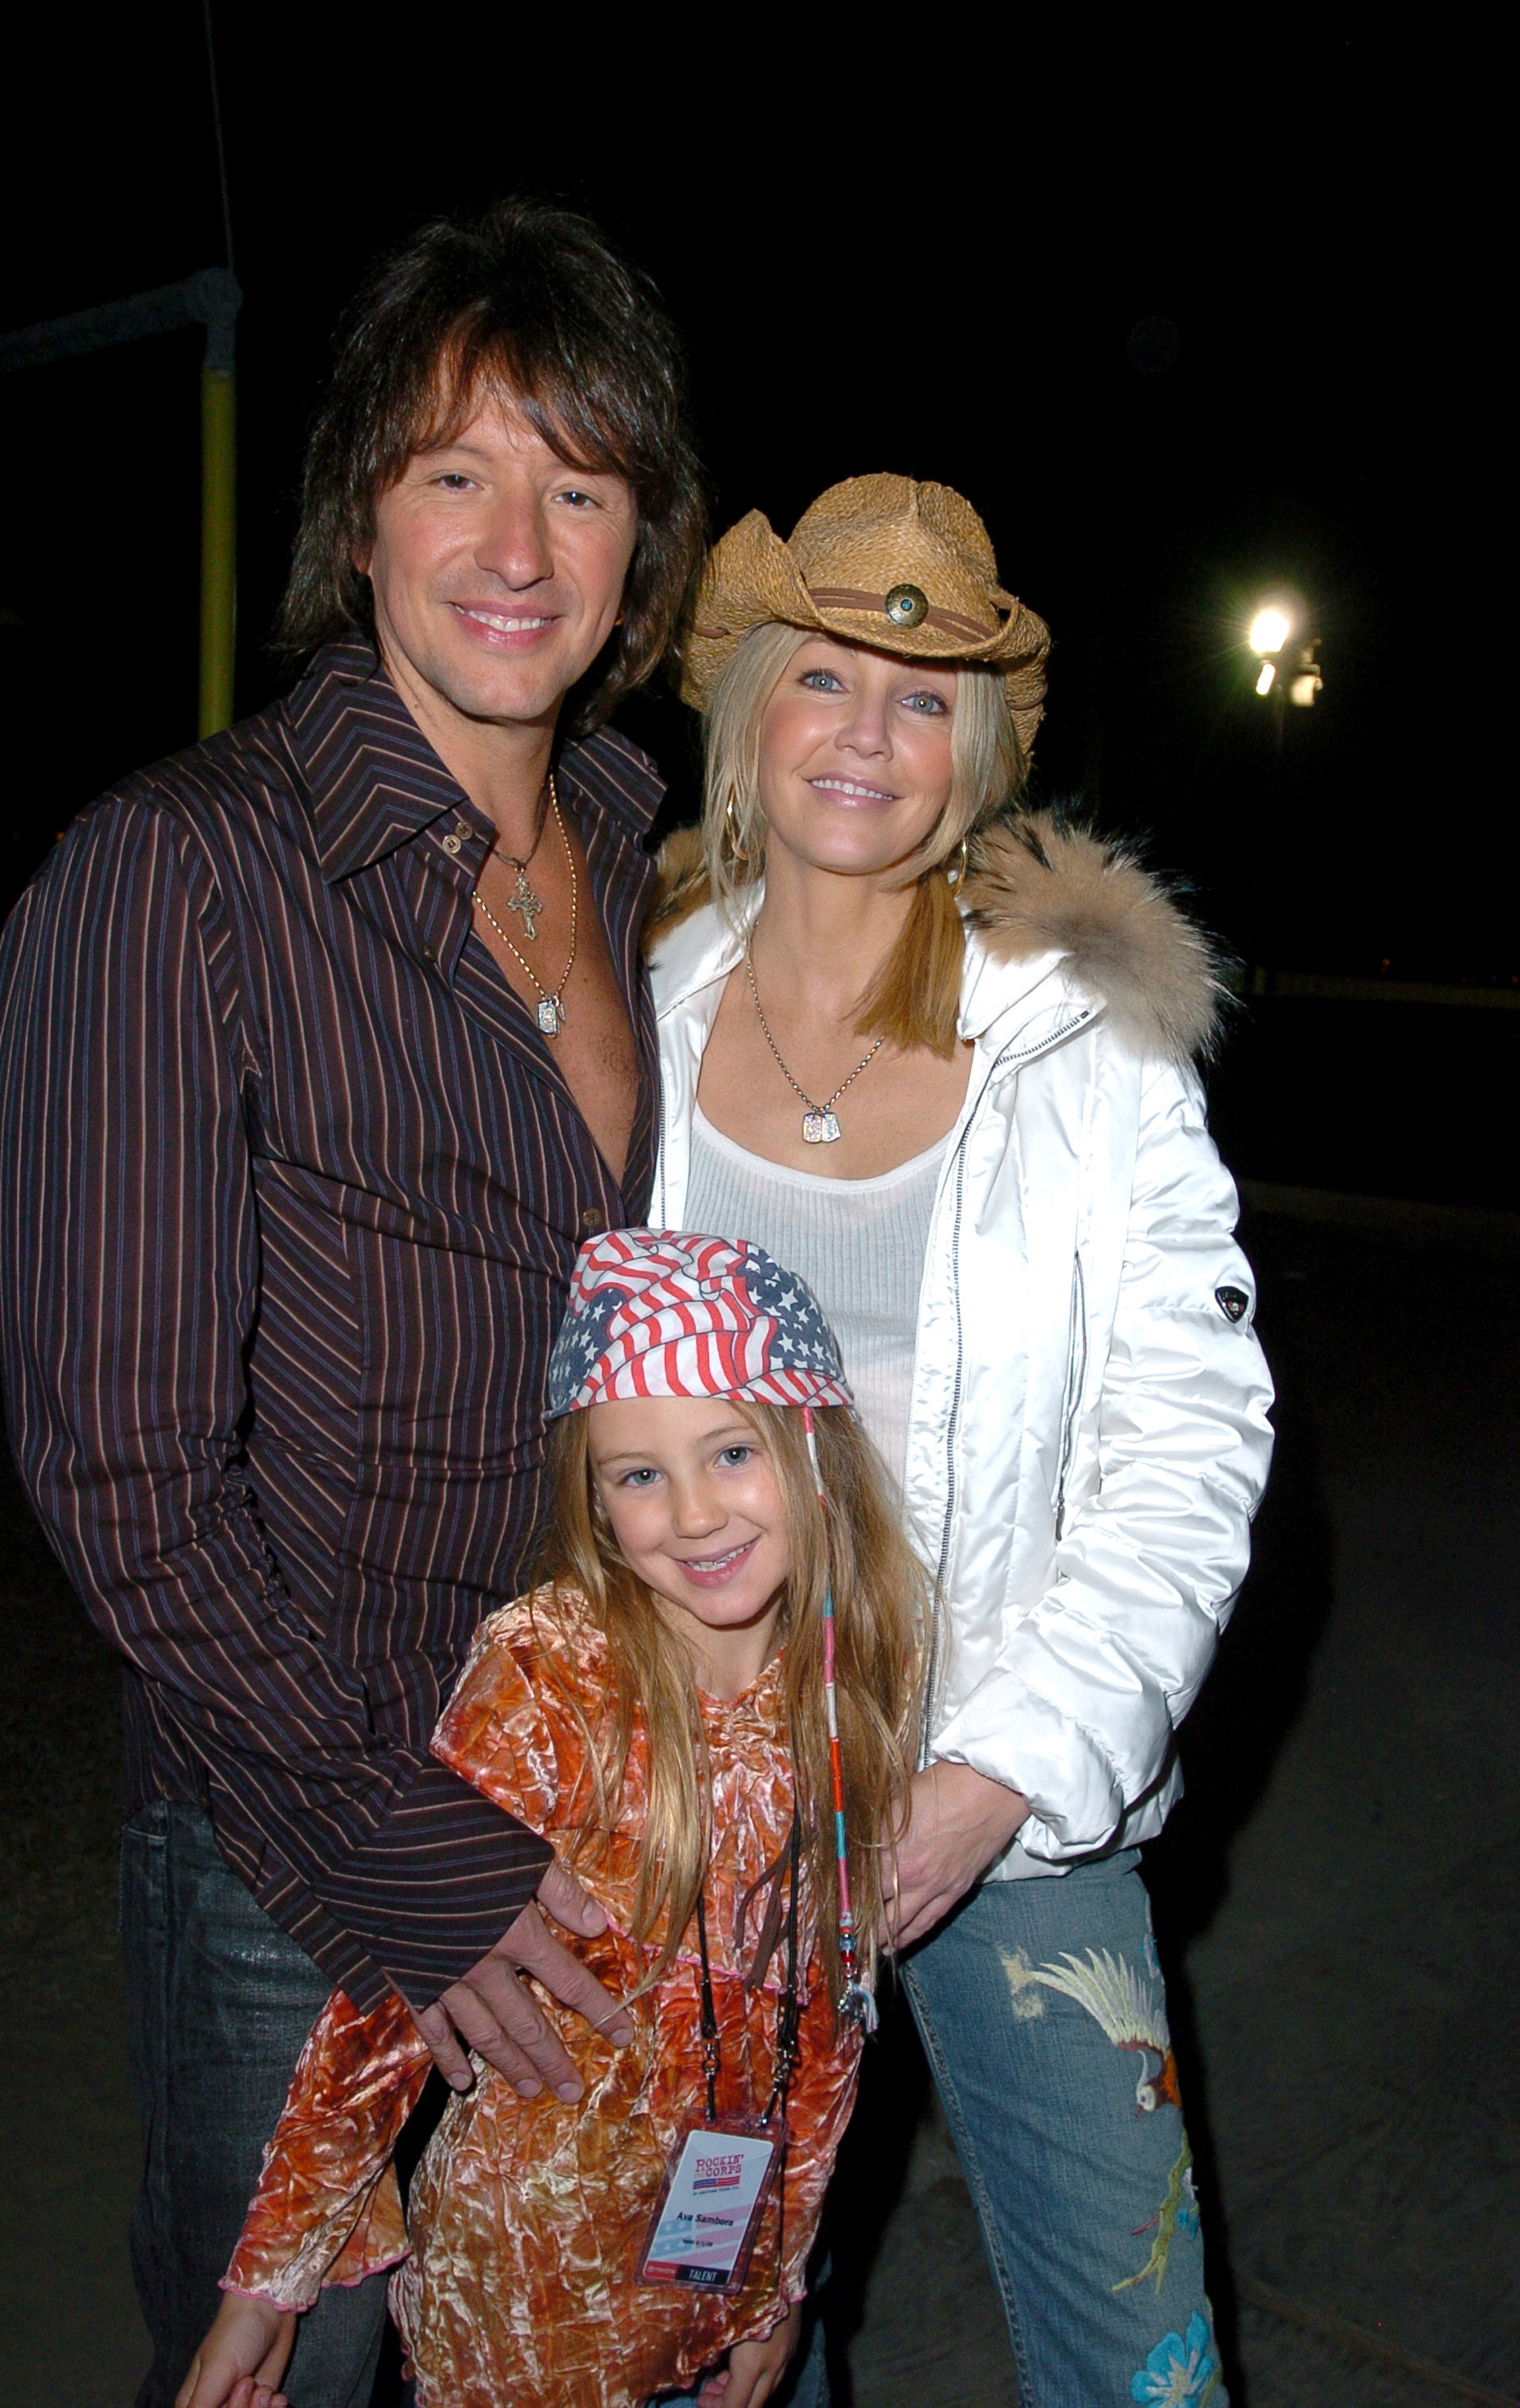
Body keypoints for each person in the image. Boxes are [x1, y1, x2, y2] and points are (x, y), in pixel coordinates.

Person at [0, 201, 706, 2408]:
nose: (518, 540)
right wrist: (408, 1863)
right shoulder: (173, 873)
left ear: (636, 548)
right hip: (293, 1841)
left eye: (577, 484)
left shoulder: (635, 865)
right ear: (359, 517)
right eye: (452, 470)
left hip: (591, 1805)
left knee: (546, 2350)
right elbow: (119, 1469)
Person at [646, 475, 1275, 2406]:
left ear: (978, 749)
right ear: (748, 707)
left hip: (1010, 1793)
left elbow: (1189, 1444)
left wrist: (998, 1777)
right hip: (704, 1797)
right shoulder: (638, 1007)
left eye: (923, 697)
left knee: (1139, 2359)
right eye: (824, 676)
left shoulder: (1086, 1045)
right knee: (707, 2344)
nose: (868, 735)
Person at [174, 1230, 924, 2408]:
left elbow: (825, 2026)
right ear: (591, 1495)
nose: (692, 1514)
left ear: (811, 1442)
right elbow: (386, 2004)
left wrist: (779, 2283)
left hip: (714, 2304)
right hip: (519, 2325)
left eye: (730, 1451)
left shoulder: (847, 1678)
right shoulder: (550, 1675)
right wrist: (267, 2284)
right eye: (637, 1475)